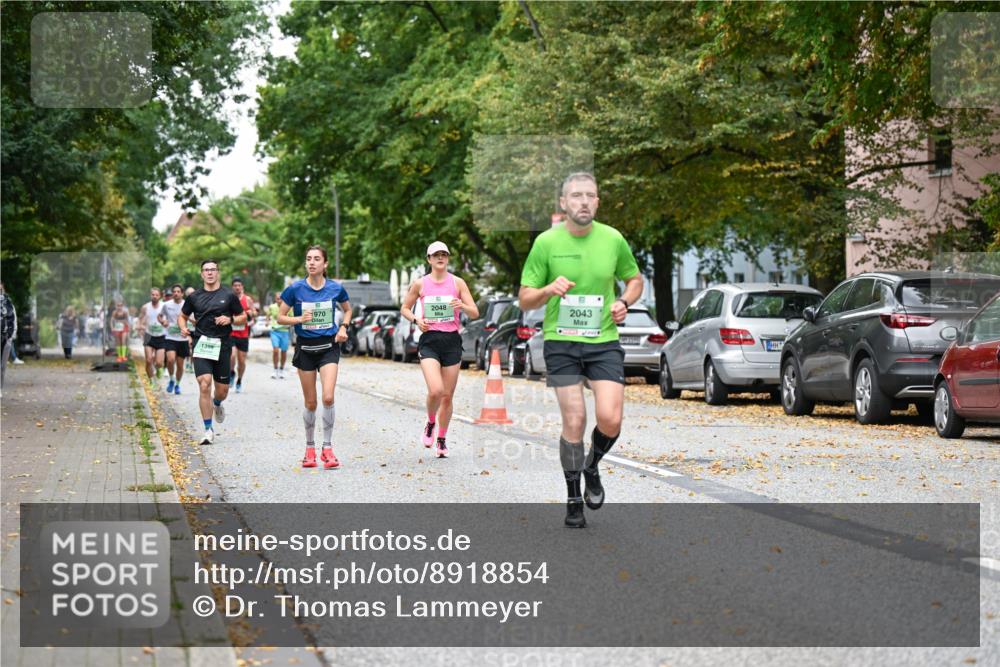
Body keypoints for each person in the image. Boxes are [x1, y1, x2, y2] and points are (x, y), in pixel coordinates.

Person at [518, 172, 643, 528]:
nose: (583, 201)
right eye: (576, 196)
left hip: (603, 341)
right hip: (562, 341)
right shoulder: (545, 243)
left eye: (590, 195)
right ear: (563, 203)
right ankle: (574, 497)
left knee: (611, 418)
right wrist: (547, 290)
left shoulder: (613, 239)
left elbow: (635, 280)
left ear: (598, 202)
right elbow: (525, 299)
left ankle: (591, 466)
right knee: (574, 419)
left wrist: (624, 301)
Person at [400, 241, 479, 458]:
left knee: (447, 396)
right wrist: (417, 319)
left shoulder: (458, 283)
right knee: (436, 390)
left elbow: (475, 312)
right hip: (430, 340)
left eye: (444, 254)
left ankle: (442, 439)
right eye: (436, 255)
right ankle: (430, 422)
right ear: (429, 259)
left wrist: (461, 306)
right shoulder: (420, 284)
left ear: (448, 258)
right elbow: (404, 308)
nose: (440, 258)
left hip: (452, 341)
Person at [277, 245, 352, 469]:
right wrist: (298, 320)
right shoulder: (295, 289)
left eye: (316, 259)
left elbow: (348, 309)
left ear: (325, 264)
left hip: (329, 347)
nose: (311, 262)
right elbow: (280, 317)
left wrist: (343, 327)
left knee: (328, 397)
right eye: (308, 259)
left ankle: (327, 448)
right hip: (306, 349)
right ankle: (309, 448)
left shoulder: (335, 288)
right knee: (311, 402)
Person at [178, 260, 247, 445]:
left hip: (223, 345)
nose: (209, 273)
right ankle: (208, 429)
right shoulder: (194, 297)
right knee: (204, 384)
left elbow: (243, 317)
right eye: (206, 270)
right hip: (202, 344)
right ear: (202, 274)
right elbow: (182, 316)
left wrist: (230, 319)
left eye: (213, 270)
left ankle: (217, 404)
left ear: (218, 273)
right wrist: (183, 328)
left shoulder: (229, 295)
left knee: (222, 391)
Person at [228, 278, 256, 393]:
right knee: (232, 356)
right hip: (231, 333)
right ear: (232, 287)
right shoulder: (229, 299)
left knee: (241, 361)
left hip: (244, 334)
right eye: (235, 285)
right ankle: (231, 373)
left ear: (242, 286)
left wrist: (250, 313)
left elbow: (254, 312)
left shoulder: (247, 299)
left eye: (239, 285)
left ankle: (239, 380)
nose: (237, 287)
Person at [161, 284, 189, 395]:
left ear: (182, 293)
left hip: (183, 338)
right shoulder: (166, 305)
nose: (176, 293)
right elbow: (160, 316)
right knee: (171, 359)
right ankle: (171, 379)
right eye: (174, 291)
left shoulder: (187, 304)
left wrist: (190, 334)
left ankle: (177, 384)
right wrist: (163, 321)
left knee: (180, 365)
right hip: (170, 337)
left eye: (178, 291)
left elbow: (192, 318)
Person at [138, 288, 167, 383]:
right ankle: (150, 380)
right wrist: (140, 326)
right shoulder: (145, 307)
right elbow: (140, 319)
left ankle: (159, 368)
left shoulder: (164, 306)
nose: (154, 296)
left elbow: (169, 319)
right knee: (149, 360)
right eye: (152, 295)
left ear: (160, 296)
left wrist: (166, 323)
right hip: (148, 335)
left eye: (156, 295)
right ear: (150, 295)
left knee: (159, 362)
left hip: (161, 336)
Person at [267, 292, 290, 378]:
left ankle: (281, 370)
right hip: (274, 331)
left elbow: (292, 317)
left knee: (284, 352)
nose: (279, 300)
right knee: (275, 350)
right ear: (275, 299)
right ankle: (275, 369)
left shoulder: (288, 307)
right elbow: (268, 315)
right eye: (278, 298)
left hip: (284, 331)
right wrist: (267, 321)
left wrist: (289, 323)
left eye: (281, 298)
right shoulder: (272, 307)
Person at [1, 282, 16, 394]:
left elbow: (13, 319)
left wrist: (11, 336)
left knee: (2, 366)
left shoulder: (8, 304)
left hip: (5, 338)